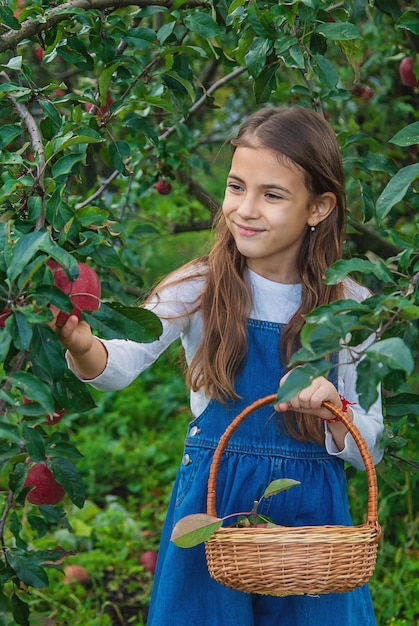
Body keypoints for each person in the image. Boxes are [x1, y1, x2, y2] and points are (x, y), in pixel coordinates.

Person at [56, 106, 384, 625]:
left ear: (319, 207)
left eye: (271, 194)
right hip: (214, 506)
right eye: (236, 187)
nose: (245, 209)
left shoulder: (349, 304)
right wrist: (80, 342)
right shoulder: (199, 284)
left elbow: (374, 441)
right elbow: (122, 362)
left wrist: (333, 409)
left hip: (310, 519)